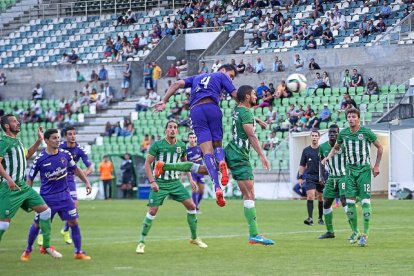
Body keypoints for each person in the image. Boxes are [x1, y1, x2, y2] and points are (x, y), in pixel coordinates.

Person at [153, 86, 275, 245]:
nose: (256, 96)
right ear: (246, 96)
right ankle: (254, 234)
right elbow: (250, 134)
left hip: (231, 150)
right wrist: (262, 154)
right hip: (240, 156)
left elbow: (246, 119)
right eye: (253, 94)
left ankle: (165, 166)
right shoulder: (245, 113)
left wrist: (258, 120)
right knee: (250, 194)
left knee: (206, 169)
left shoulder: (238, 110)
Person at [153, 64, 239, 207]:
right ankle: (222, 161)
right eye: (231, 75)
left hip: (196, 110)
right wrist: (247, 106)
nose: (230, 79)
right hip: (212, 107)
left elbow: (176, 84)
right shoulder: (221, 76)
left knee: (206, 152)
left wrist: (165, 100)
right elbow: (235, 94)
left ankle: (217, 186)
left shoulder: (196, 77)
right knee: (218, 145)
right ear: (223, 70)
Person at [135, 120, 208, 254]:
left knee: (192, 207)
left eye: (175, 127)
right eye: (170, 127)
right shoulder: (157, 145)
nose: (173, 129)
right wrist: (152, 182)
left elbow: (185, 163)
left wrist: (191, 179)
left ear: (177, 130)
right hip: (160, 183)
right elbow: (147, 164)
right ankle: (141, 242)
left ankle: (194, 238)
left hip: (175, 183)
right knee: (152, 211)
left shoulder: (181, 145)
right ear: (166, 130)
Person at [24, 128, 92, 261]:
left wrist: (87, 182)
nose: (58, 140)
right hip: (47, 199)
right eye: (54, 138)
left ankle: (78, 252)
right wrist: (29, 197)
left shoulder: (65, 154)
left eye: (58, 137)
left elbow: (76, 169)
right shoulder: (40, 159)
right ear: (47, 140)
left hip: (65, 196)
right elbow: (30, 178)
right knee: (37, 224)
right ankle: (27, 250)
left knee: (73, 221)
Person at [0, 115, 62, 259]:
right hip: (9, 188)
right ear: (7, 126)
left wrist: (39, 141)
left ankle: (46, 247)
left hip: (22, 186)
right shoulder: (3, 142)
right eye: (14, 121)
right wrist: (9, 179)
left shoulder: (17, 141)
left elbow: (26, 155)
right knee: (3, 225)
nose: (18, 122)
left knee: (45, 211)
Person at [322, 108, 383, 246]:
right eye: (349, 116)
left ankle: (365, 235)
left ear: (358, 118)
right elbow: (336, 147)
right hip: (349, 172)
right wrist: (328, 157)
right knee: (349, 203)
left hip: (364, 172)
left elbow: (380, 148)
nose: (350, 119)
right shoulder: (343, 133)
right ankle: (356, 232)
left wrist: (377, 165)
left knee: (365, 202)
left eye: (353, 116)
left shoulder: (366, 132)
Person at [57, 126, 93, 244]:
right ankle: (41, 232)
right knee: (51, 206)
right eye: (70, 134)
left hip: (70, 178)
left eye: (74, 134)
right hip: (57, 179)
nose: (72, 136)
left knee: (74, 205)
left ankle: (66, 230)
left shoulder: (80, 150)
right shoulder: (60, 147)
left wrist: (83, 176)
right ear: (65, 136)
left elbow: (90, 167)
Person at [318, 124, 350, 239]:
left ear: (339, 134)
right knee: (326, 203)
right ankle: (330, 232)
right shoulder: (322, 147)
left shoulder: (344, 146)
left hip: (344, 176)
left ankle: (354, 231)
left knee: (344, 200)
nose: (332, 134)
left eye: (334, 132)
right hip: (331, 178)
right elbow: (321, 162)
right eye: (330, 132)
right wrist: (321, 176)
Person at [298, 130, 324, 226]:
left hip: (321, 177)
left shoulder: (322, 149)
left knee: (321, 197)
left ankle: (320, 218)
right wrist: (300, 176)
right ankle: (310, 218)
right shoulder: (306, 150)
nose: (314, 137)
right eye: (312, 135)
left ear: (318, 137)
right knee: (310, 195)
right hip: (310, 177)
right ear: (310, 137)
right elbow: (302, 165)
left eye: (316, 135)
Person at [186, 133, 205, 213]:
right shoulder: (186, 151)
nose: (192, 139)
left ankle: (196, 205)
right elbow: (185, 163)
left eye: (194, 137)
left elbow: (205, 158)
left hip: (200, 172)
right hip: (192, 172)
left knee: (202, 191)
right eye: (191, 137)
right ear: (188, 139)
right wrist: (184, 174)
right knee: (195, 189)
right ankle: (195, 208)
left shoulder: (199, 148)